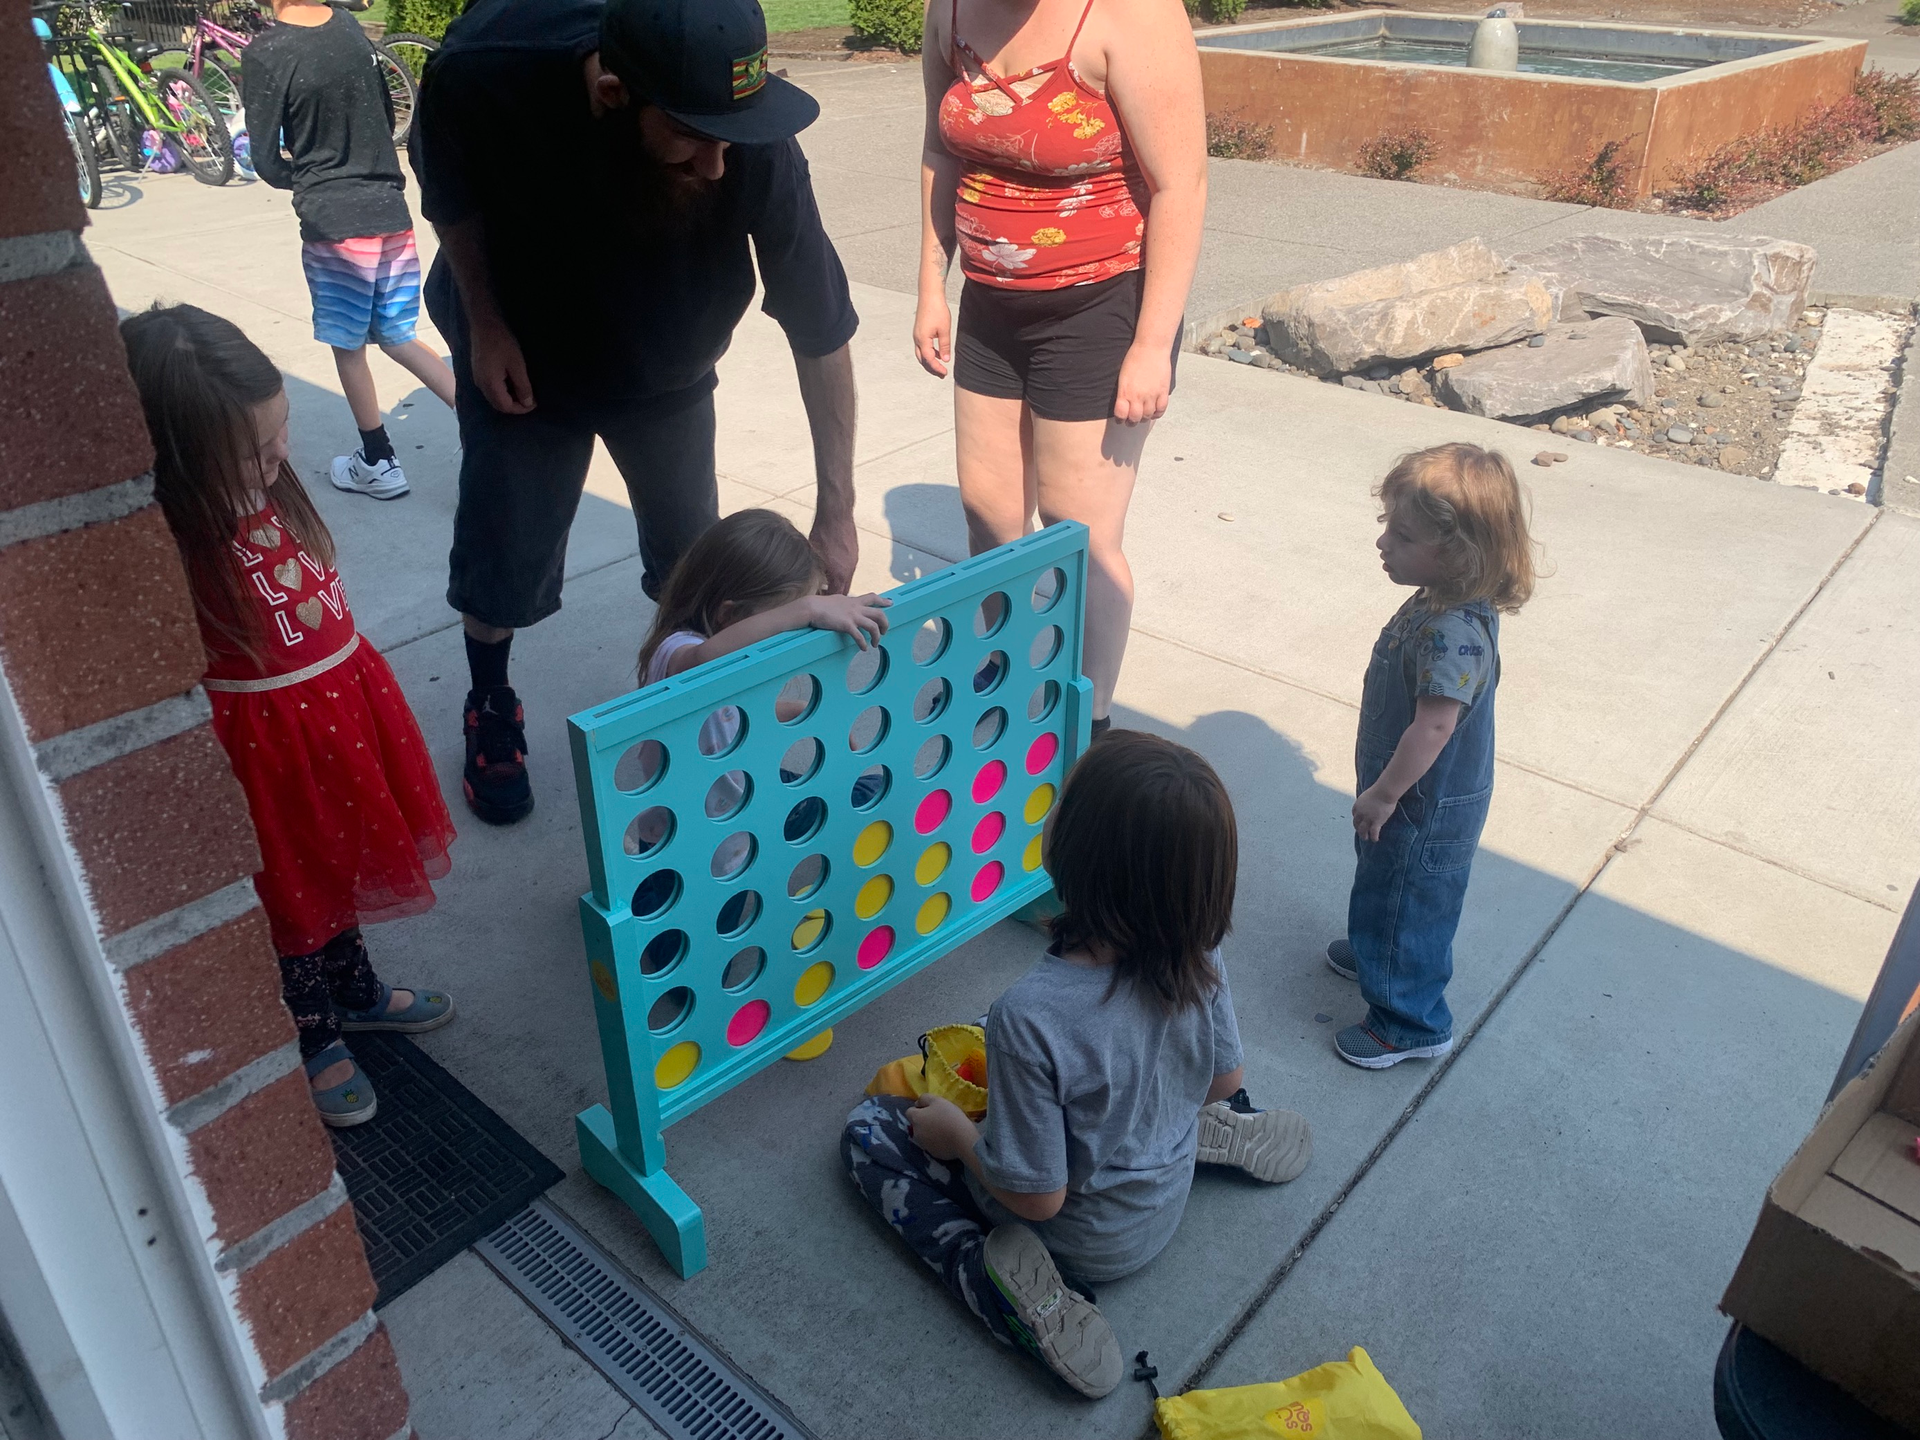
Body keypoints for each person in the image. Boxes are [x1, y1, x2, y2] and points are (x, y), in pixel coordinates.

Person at [410, 0, 863, 828]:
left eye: (729, 139)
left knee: (698, 567)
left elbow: (820, 324)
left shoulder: (745, 131)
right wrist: (485, 321)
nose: (718, 166)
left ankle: (704, 717)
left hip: (669, 364)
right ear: (613, 94)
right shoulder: (486, 67)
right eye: (692, 137)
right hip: (527, 358)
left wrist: (837, 510)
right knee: (503, 553)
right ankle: (490, 701)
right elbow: (451, 192)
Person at [843, 731, 1312, 1398]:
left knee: (869, 1131)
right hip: (1164, 1192)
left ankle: (1020, 1297)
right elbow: (1224, 1080)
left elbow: (1038, 1197)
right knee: (1112, 1073)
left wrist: (961, 1138)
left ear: (1076, 853)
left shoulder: (1030, 1015)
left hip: (1078, 1237)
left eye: (1063, 802)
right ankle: (1179, 1126)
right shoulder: (1198, 947)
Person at [121, 304, 458, 1128]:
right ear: (178, 461)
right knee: (292, 893)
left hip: (341, 718)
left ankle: (357, 990)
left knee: (336, 864)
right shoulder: (177, 544)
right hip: (268, 755)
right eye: (254, 451)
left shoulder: (267, 493)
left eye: (279, 434)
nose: (279, 457)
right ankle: (310, 1033)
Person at [913, 0, 1206, 741]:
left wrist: (1151, 344)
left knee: (1079, 537)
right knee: (989, 516)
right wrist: (930, 285)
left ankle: (1085, 725)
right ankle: (1003, 679)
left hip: (1101, 309)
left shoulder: (1132, 13)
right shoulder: (950, 7)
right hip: (990, 302)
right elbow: (941, 149)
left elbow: (1182, 185)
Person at [1327, 443, 1537, 1070]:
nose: (1383, 542)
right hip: (1408, 789)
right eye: (1386, 526)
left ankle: (1409, 1023)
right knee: (1384, 876)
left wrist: (1385, 793)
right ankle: (1379, 950)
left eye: (1402, 535)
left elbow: (1436, 725)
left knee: (1410, 897)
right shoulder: (1441, 600)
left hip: (1423, 800)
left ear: (1456, 553)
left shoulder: (1451, 631)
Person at [241, 0, 455, 501]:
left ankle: (378, 461)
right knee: (399, 336)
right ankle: (483, 427)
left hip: (334, 225)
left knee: (349, 347)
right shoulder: (350, 28)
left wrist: (311, 181)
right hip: (389, 210)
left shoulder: (266, 51)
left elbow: (265, 160)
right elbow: (387, 116)